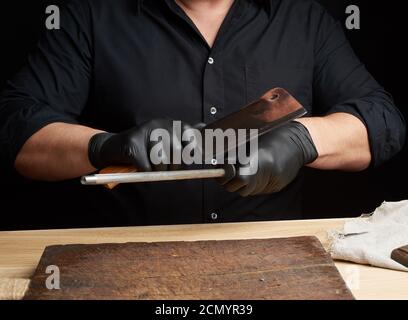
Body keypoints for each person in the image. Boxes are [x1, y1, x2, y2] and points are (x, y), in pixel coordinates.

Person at [0, 0, 405, 226]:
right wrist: (106, 146)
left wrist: (304, 140)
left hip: (275, 263)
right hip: (124, 259)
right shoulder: (90, 16)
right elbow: (16, 129)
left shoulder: (302, 18)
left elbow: (381, 120)